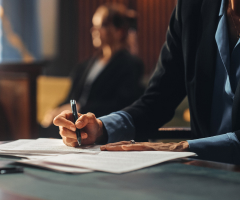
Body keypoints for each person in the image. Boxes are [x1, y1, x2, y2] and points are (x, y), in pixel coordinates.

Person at [53, 0, 240, 165]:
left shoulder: (128, 63)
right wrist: (101, 129)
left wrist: (181, 148)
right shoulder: (191, 6)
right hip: (205, 174)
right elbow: (157, 100)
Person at [41, 4, 144, 128]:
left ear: (119, 31)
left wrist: (81, 108)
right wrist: (56, 111)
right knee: (43, 127)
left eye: (102, 26)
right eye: (94, 26)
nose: (94, 30)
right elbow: (71, 97)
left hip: (100, 126)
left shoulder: (130, 65)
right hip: (75, 122)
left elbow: (121, 105)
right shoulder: (85, 65)